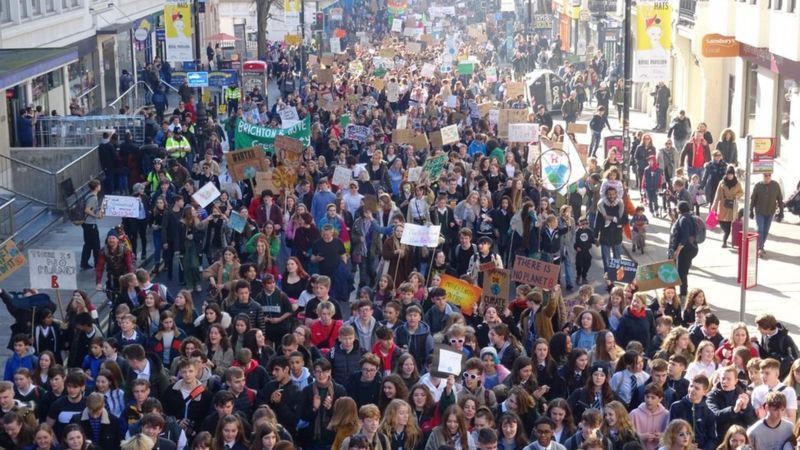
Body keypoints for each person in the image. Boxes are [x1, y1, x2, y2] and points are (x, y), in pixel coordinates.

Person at [667, 201, 698, 298]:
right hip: (692, 248)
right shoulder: (690, 216)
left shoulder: (683, 219)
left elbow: (685, 237)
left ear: (680, 209)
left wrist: (677, 250)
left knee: (681, 272)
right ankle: (683, 290)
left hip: (686, 249)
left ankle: (683, 292)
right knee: (683, 270)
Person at [749, 172, 784, 257]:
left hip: (770, 212)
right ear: (762, 176)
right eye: (765, 175)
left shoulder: (775, 185)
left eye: (769, 175)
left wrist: (781, 212)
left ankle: (760, 245)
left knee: (766, 230)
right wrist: (751, 210)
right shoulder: (758, 186)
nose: (767, 177)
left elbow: (780, 199)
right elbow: (753, 198)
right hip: (759, 211)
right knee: (760, 229)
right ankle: (760, 248)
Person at [594, 186, 627, 271]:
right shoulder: (602, 206)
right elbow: (597, 222)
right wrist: (595, 237)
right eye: (609, 194)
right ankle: (609, 281)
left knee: (617, 260)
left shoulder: (620, 205)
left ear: (616, 194)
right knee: (606, 260)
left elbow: (625, 220)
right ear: (606, 195)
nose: (611, 196)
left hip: (617, 236)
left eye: (613, 194)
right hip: (605, 236)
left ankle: (616, 278)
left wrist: (613, 218)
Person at [711, 165, 742, 248]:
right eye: (728, 174)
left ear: (733, 174)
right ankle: (725, 233)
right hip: (722, 205)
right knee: (721, 222)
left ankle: (724, 241)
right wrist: (713, 207)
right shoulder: (722, 183)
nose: (729, 176)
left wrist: (737, 196)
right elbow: (717, 195)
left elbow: (741, 192)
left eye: (731, 174)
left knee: (728, 225)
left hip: (732, 206)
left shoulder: (737, 183)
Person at [80, 180, 102, 271]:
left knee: (88, 244)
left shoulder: (88, 195)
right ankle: (97, 263)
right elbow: (87, 210)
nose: (100, 186)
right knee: (96, 245)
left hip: (86, 223)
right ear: (96, 187)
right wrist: (96, 215)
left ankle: (84, 263)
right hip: (90, 224)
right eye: (99, 185)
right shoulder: (93, 197)